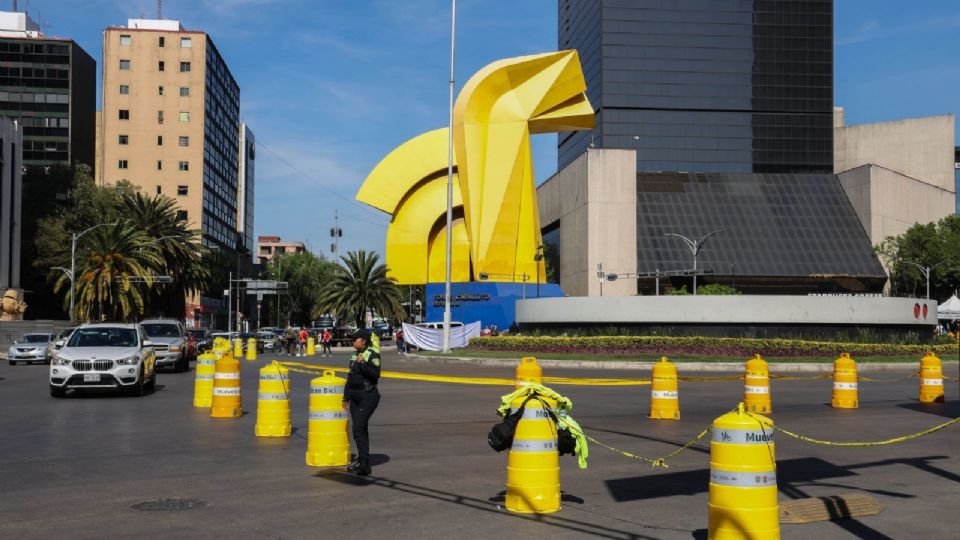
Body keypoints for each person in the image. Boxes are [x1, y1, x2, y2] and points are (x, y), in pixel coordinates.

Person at [343, 329, 381, 476]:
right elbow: (350, 376)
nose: (352, 342)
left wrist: (363, 363)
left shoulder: (371, 354)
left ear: (363, 341)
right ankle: (363, 460)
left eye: (355, 340)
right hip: (354, 396)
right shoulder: (354, 354)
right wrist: (345, 397)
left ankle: (364, 464)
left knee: (358, 428)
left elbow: (376, 374)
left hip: (368, 395)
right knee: (360, 429)